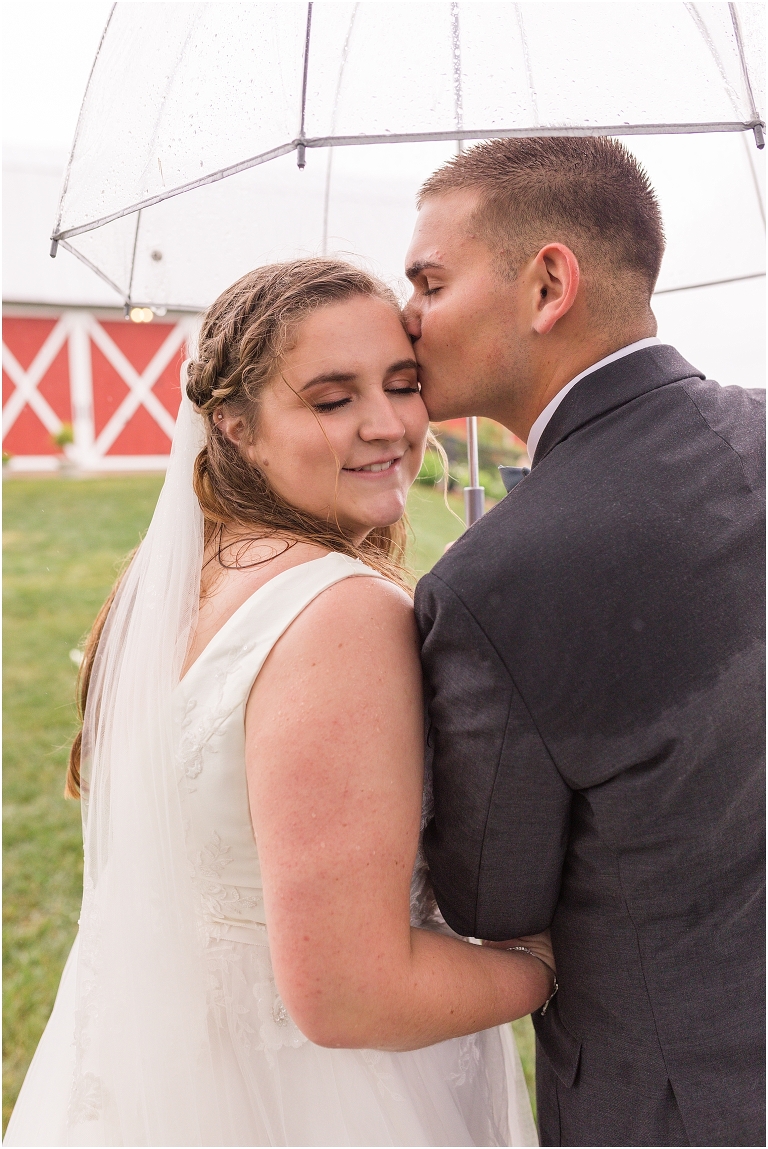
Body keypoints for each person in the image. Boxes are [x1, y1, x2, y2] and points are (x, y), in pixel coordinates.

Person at [5, 259, 551, 1147]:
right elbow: (351, 991)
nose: (387, 425)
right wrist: (545, 967)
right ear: (236, 426)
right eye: (332, 399)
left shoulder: (190, 575)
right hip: (316, 1100)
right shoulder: (344, 614)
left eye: (403, 383)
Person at [404, 136, 765, 1147]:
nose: (409, 318)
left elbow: (489, 893)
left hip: (674, 1107)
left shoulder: (495, 583)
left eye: (430, 281)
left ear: (547, 282)